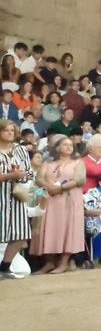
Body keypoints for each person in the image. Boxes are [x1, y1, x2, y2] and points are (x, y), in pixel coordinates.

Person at [32, 135, 86, 274]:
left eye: (70, 145)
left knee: (68, 229)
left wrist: (61, 188)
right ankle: (49, 263)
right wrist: (49, 186)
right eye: (65, 144)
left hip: (69, 200)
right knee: (48, 228)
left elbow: (79, 179)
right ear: (57, 147)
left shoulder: (77, 162)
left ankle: (64, 263)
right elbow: (39, 179)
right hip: (50, 199)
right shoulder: (48, 162)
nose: (69, 146)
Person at [0, 119, 34, 278]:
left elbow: (29, 172)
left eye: (12, 130)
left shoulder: (20, 150)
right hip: (1, 195)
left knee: (21, 233)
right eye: (6, 130)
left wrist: (22, 176)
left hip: (17, 196)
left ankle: (4, 267)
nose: (10, 133)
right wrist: (9, 175)